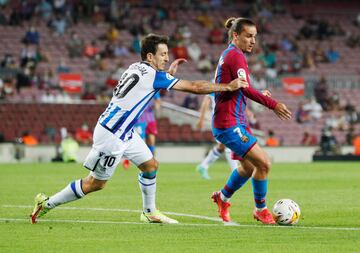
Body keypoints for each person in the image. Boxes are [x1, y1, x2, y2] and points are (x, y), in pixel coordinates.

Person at [30, 33, 248, 225]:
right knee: (95, 183)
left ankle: (149, 212)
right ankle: (47, 203)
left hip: (124, 132)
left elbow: (145, 89)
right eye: (162, 54)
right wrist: (227, 86)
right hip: (112, 135)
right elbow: (194, 87)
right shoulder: (154, 75)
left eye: (167, 53)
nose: (166, 57)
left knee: (151, 165)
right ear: (150, 57)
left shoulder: (135, 67)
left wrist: (168, 75)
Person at [210, 18, 292, 225]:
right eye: (248, 36)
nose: (253, 41)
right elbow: (244, 88)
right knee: (263, 163)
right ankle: (261, 209)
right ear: (236, 36)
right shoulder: (234, 56)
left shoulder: (233, 54)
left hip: (236, 120)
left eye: (255, 36)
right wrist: (273, 104)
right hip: (228, 123)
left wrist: (256, 95)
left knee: (248, 167)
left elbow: (239, 89)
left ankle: (222, 197)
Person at [196, 93, 238, 180]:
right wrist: (201, 120)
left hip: (228, 119)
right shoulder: (217, 83)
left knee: (222, 146)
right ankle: (236, 173)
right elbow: (206, 102)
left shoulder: (227, 82)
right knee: (229, 145)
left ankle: (203, 166)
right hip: (220, 121)